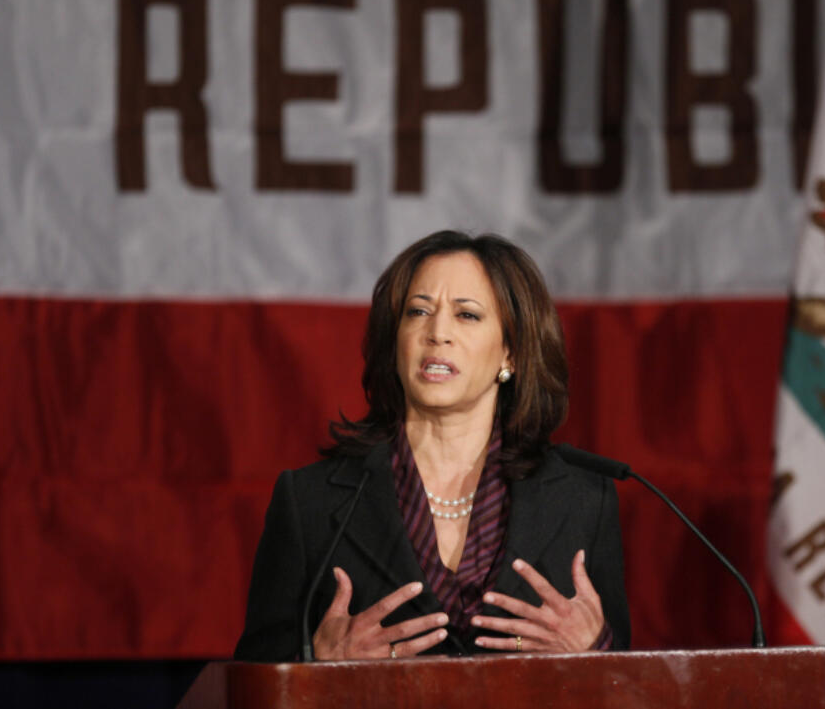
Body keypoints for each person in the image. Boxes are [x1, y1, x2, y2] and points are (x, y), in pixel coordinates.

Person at [234, 230, 629, 661]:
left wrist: (595, 650)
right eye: (418, 311)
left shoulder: (583, 501)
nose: (437, 332)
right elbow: (255, 679)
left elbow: (626, 684)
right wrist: (315, 664)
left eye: (468, 315)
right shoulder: (309, 502)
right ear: (396, 341)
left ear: (510, 354)